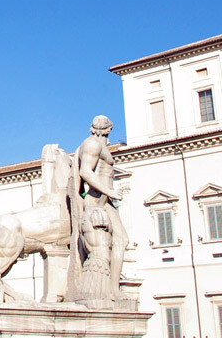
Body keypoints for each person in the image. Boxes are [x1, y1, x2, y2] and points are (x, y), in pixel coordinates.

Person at [68, 115, 129, 305]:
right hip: (96, 202)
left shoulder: (100, 146)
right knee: (111, 244)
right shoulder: (92, 145)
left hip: (104, 201)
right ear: (107, 129)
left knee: (121, 241)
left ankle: (113, 289)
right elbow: (85, 171)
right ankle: (110, 290)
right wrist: (109, 190)